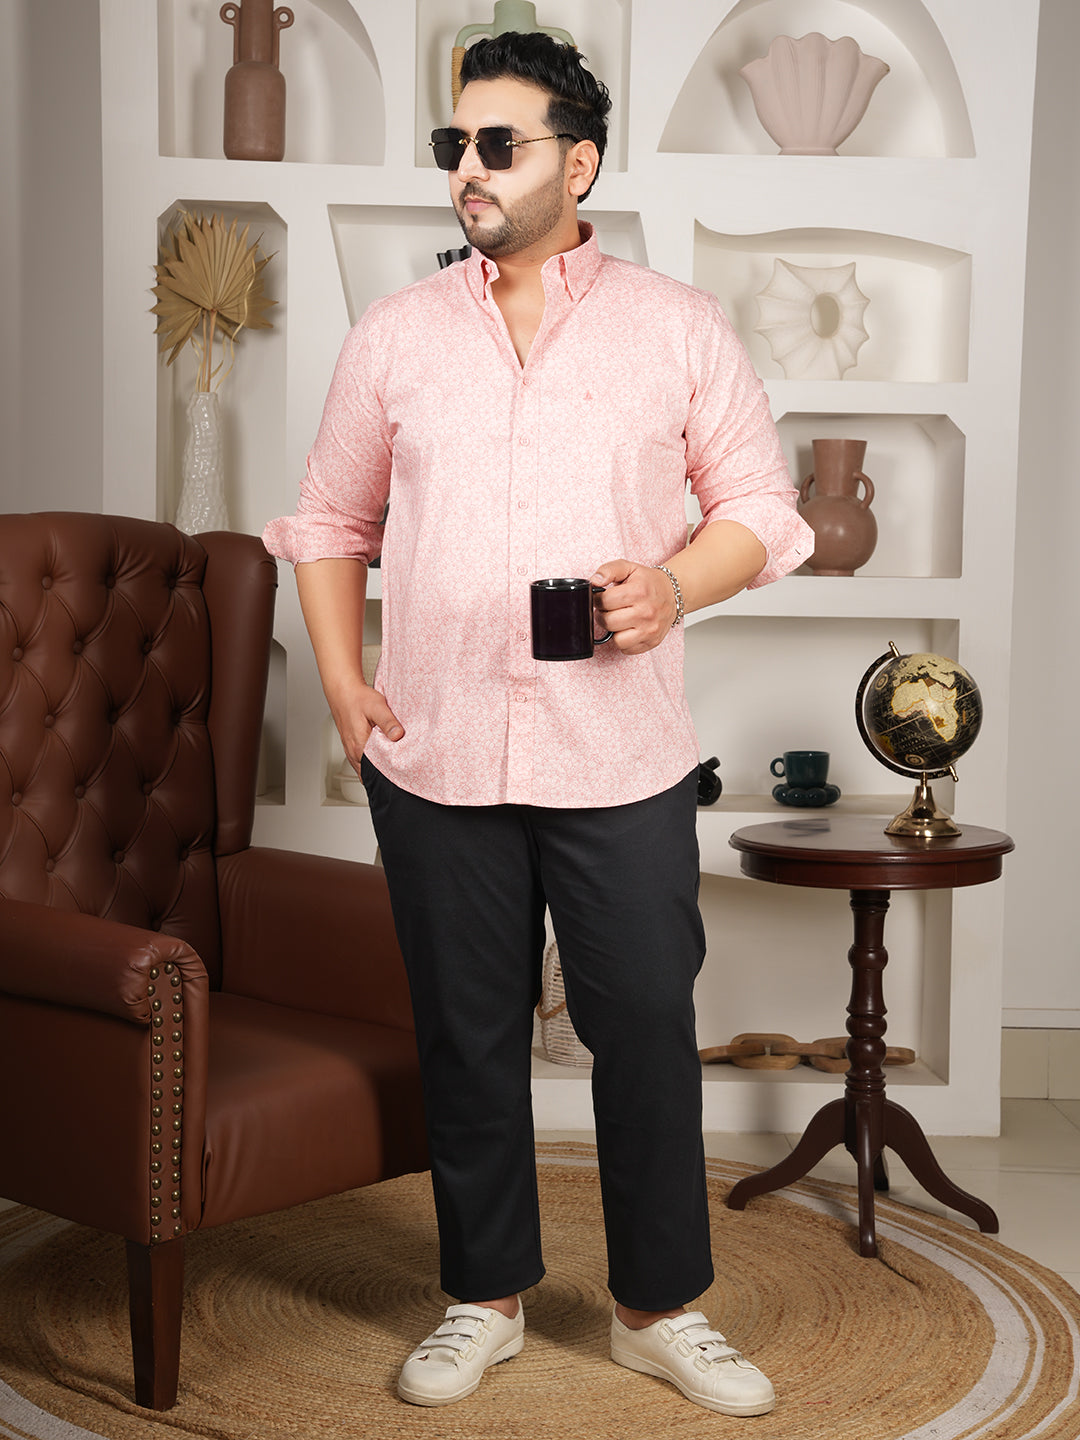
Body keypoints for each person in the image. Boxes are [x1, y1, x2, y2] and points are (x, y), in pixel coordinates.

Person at [262, 30, 812, 1419]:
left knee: (645, 1025)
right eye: (453, 144)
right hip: (436, 747)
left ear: (580, 164)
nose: (468, 167)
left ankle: (657, 1309)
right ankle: (484, 1297)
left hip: (621, 751)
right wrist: (342, 683)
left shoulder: (677, 325)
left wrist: (673, 588)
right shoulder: (395, 335)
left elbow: (763, 506)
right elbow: (329, 520)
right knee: (466, 1034)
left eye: (496, 144)